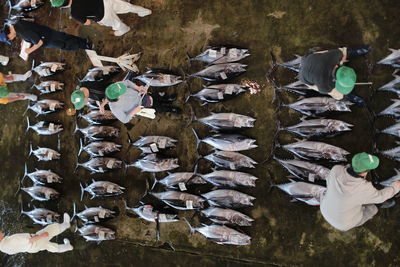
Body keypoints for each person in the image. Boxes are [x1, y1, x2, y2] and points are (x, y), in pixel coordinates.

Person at [320, 152, 400, 232]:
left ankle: (358, 202)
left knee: (356, 199)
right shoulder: (364, 188)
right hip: (343, 223)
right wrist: (395, 187)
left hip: (325, 209)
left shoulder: (336, 169)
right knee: (372, 207)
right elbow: (380, 197)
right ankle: (377, 206)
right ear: (365, 172)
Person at [299, 46, 371, 100]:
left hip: (306, 59)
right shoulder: (326, 86)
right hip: (303, 76)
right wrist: (341, 96)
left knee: (343, 52)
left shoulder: (335, 55)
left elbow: (343, 51)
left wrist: (343, 57)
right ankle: (351, 98)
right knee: (338, 95)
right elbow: (337, 95)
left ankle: (355, 52)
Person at [51, 0, 152, 36]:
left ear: (62, 6)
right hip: (105, 1)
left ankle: (124, 29)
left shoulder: (74, 13)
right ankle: (145, 11)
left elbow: (88, 23)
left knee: (117, 24)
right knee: (127, 7)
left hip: (103, 15)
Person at [104, 80, 180, 123]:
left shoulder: (115, 87)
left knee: (156, 97)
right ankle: (170, 109)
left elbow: (127, 82)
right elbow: (124, 119)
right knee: (159, 108)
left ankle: (167, 99)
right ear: (118, 97)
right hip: (141, 107)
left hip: (141, 95)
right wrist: (134, 112)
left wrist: (138, 88)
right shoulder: (115, 109)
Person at [0, 20, 92, 55]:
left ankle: (87, 45)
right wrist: (24, 41)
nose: (11, 39)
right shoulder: (17, 23)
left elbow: (39, 42)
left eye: (9, 39)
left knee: (65, 44)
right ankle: (84, 41)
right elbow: (31, 30)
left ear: (8, 35)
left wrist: (29, 50)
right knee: (66, 37)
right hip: (47, 31)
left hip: (48, 39)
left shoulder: (23, 33)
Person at [0, 213, 73, 255]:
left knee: (49, 246)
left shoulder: (2, 248)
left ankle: (68, 247)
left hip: (31, 249)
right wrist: (41, 235)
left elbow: (16, 251)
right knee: (51, 229)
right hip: (35, 241)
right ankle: (66, 224)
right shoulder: (11, 240)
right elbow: (29, 240)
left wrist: (24, 247)